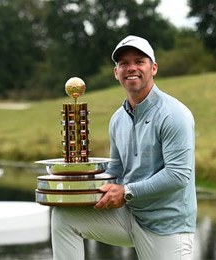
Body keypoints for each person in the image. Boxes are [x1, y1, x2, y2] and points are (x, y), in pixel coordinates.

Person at [51, 35, 197, 260]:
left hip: (167, 226)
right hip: (129, 215)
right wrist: (83, 185)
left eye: (139, 61)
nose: (131, 68)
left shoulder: (174, 114)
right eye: (124, 63)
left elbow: (178, 176)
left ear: (154, 68)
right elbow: (117, 171)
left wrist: (126, 192)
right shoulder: (118, 118)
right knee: (64, 216)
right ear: (116, 72)